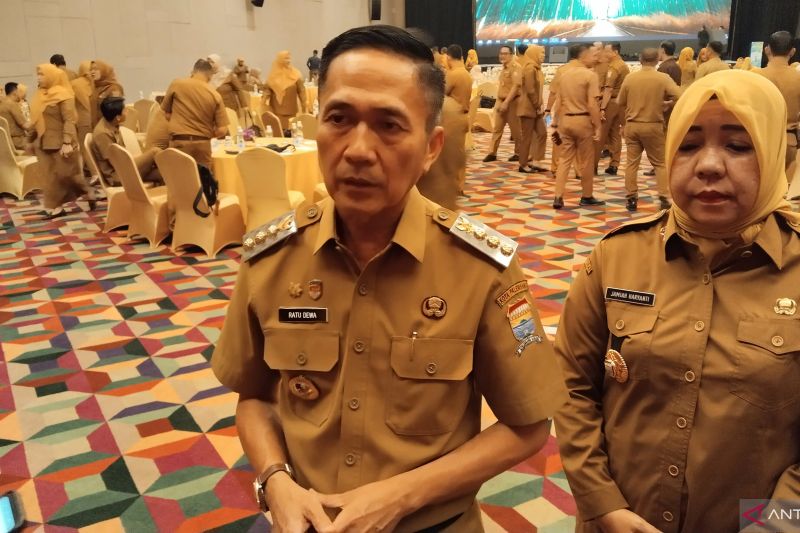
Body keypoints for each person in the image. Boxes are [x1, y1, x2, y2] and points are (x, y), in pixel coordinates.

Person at [211, 24, 567, 533]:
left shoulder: (480, 268)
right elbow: (254, 397)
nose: (358, 149)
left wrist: (402, 496)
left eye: (389, 125)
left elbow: (528, 425)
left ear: (431, 147)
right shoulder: (271, 259)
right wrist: (274, 480)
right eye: (339, 118)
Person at [554, 68, 800, 533]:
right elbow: (570, 387)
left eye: (737, 145)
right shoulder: (617, 256)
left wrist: (772, 526)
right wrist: (602, 503)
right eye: (688, 146)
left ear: (773, 153)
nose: (708, 165)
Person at [617, 48, 681, 212]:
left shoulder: (630, 78)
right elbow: (679, 95)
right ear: (657, 60)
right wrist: (667, 104)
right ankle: (663, 196)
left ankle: (631, 198)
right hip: (653, 125)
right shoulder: (662, 78)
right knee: (660, 163)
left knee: (632, 164)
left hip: (632, 125)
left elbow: (620, 102)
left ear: (640, 59)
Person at [27, 64, 94, 218]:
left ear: (52, 76)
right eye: (38, 74)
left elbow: (69, 120)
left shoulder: (64, 95)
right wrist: (30, 139)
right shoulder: (40, 95)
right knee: (49, 177)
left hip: (61, 142)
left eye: (42, 74)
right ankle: (54, 207)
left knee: (67, 175)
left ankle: (87, 191)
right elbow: (36, 119)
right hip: (43, 142)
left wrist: (67, 142)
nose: (39, 78)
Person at [551, 43, 604, 209]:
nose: (594, 58)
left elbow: (559, 102)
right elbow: (592, 105)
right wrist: (598, 126)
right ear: (583, 55)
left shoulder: (564, 75)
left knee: (564, 160)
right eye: (591, 54)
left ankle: (558, 196)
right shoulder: (590, 75)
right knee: (586, 161)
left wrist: (556, 123)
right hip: (583, 121)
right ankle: (587, 195)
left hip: (566, 121)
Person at [161, 59, 228, 168]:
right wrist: (203, 134)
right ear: (210, 76)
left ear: (193, 71)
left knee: (180, 177)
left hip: (180, 142)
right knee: (202, 178)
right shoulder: (215, 94)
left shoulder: (177, 84)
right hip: (203, 145)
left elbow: (167, 114)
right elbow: (222, 130)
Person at [91, 96, 162, 185]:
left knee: (162, 174)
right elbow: (117, 163)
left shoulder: (111, 123)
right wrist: (145, 161)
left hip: (125, 167)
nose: (127, 111)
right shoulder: (102, 134)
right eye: (124, 110)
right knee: (155, 151)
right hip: (118, 175)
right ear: (118, 117)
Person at [758, 30, 800, 174]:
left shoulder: (754, 76)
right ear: (792, 51)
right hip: (789, 142)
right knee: (784, 186)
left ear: (767, 50)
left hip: (761, 140)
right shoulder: (798, 78)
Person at [482, 45, 521, 163]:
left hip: (512, 102)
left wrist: (507, 102)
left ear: (511, 55)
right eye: (501, 53)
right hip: (501, 101)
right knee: (497, 128)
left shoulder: (516, 67)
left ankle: (519, 153)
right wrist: (499, 103)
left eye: (505, 53)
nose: (502, 56)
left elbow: (516, 87)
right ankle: (492, 153)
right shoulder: (504, 68)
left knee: (516, 130)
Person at [597, 42, 630, 176]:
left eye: (607, 51)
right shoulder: (623, 65)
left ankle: (593, 165)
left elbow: (609, 89)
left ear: (615, 52)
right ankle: (614, 164)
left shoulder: (614, 67)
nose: (604, 53)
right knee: (616, 135)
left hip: (611, 103)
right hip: (620, 104)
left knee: (601, 133)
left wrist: (602, 108)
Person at [516, 45, 547, 173]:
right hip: (528, 108)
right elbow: (530, 90)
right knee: (527, 137)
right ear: (534, 53)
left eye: (544, 53)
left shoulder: (536, 68)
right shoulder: (530, 68)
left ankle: (536, 161)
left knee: (542, 133)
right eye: (541, 53)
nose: (544, 55)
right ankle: (523, 164)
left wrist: (540, 105)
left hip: (535, 108)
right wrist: (537, 105)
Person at [265, 51, 307, 132]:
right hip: (276, 110)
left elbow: (301, 90)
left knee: (291, 130)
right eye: (285, 58)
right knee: (278, 130)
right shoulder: (273, 74)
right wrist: (264, 101)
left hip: (291, 110)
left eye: (289, 58)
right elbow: (267, 89)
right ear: (280, 60)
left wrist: (304, 103)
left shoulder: (295, 73)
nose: (288, 61)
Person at [90, 60, 124, 127]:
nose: (92, 72)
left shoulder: (114, 88)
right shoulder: (95, 88)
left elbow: (116, 110)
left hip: (109, 128)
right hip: (96, 127)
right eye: (91, 69)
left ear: (104, 71)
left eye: (96, 69)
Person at [70, 61, 94, 158]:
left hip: (82, 121)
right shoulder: (94, 83)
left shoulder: (73, 84)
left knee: (84, 147)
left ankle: (86, 165)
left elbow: (70, 104)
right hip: (96, 119)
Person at [0, 82, 29, 150]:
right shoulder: (12, 104)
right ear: (15, 92)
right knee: (41, 145)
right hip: (17, 142)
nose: (24, 94)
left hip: (5, 141)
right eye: (21, 91)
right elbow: (25, 125)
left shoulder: (3, 103)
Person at [444, 44, 472, 113]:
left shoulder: (452, 74)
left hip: (455, 115)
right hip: (465, 113)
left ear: (448, 57)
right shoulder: (466, 73)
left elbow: (441, 95)